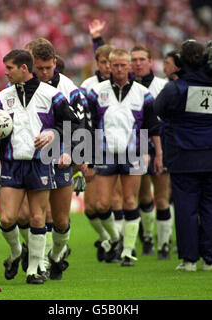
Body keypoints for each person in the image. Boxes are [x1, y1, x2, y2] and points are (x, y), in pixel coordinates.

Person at [0, 49, 76, 285]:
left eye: (10, 68)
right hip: (12, 164)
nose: (6, 73)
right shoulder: (2, 97)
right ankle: (16, 253)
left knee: (37, 218)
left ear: (24, 68)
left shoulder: (52, 95)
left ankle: (35, 269)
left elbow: (73, 124)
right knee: (7, 218)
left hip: (41, 163)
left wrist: (53, 135)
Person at [154, 40, 212, 271]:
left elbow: (158, 110)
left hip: (184, 156)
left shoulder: (176, 88)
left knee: (186, 208)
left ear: (181, 61)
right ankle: (210, 260)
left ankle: (189, 260)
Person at [87, 48, 163, 267]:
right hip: (105, 153)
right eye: (115, 65)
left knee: (131, 201)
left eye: (123, 65)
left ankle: (128, 251)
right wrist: (85, 156)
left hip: (134, 153)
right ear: (109, 66)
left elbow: (153, 126)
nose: (119, 69)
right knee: (102, 205)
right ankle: (115, 237)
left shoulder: (142, 93)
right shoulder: (96, 92)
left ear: (129, 66)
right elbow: (88, 126)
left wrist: (156, 154)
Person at [30, 42, 85, 280]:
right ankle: (39, 261)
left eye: (48, 68)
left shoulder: (69, 89)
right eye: (39, 68)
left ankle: (56, 254)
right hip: (34, 158)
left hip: (61, 156)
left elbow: (81, 123)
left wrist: (75, 154)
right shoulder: (23, 86)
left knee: (61, 220)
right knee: (38, 215)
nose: (43, 73)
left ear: (55, 62)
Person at [130, 45, 172, 260]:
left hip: (160, 147)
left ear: (150, 62)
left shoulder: (163, 86)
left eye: (142, 59)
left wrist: (162, 151)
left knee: (162, 197)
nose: (137, 63)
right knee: (144, 197)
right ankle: (147, 236)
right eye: (134, 59)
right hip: (137, 148)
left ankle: (164, 243)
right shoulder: (126, 87)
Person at [80, 43, 117, 262]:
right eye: (103, 62)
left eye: (110, 62)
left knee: (118, 200)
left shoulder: (127, 85)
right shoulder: (87, 86)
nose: (107, 66)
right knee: (91, 207)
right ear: (98, 63)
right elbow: (82, 122)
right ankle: (107, 237)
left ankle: (120, 244)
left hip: (123, 150)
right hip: (94, 149)